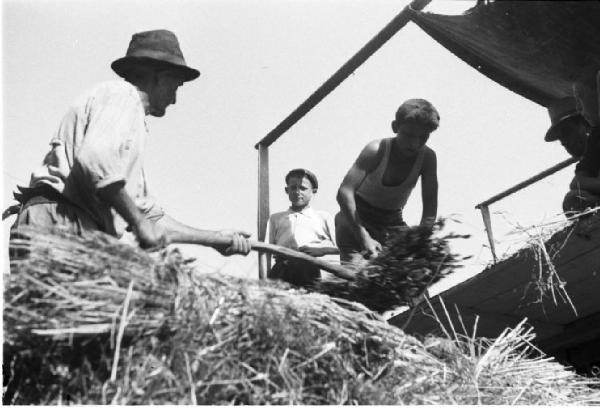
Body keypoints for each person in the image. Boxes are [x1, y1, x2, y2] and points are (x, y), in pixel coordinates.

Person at [8, 29, 250, 256]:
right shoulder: (123, 97)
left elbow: (150, 218)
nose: (175, 99)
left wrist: (216, 238)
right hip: (60, 222)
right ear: (159, 78)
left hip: (64, 222)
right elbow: (94, 160)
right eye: (175, 86)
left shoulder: (122, 126)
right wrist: (138, 222)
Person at [335, 99, 439, 268]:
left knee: (413, 275)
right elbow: (344, 192)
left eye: (423, 137)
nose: (415, 144)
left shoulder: (427, 158)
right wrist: (363, 236)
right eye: (410, 135)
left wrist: (420, 243)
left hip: (392, 223)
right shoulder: (376, 150)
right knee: (360, 279)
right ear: (395, 127)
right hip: (356, 219)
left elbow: (429, 210)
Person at [267, 168, 338, 288]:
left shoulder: (322, 217)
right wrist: (264, 277)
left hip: (307, 269)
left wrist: (322, 250)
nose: (297, 192)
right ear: (286, 190)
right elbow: (266, 250)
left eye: (303, 188)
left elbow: (342, 247)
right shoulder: (276, 218)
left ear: (313, 191)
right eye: (293, 188)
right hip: (281, 269)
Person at [563, 67, 600, 214]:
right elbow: (576, 183)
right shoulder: (596, 137)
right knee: (573, 199)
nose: (578, 108)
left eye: (581, 98)